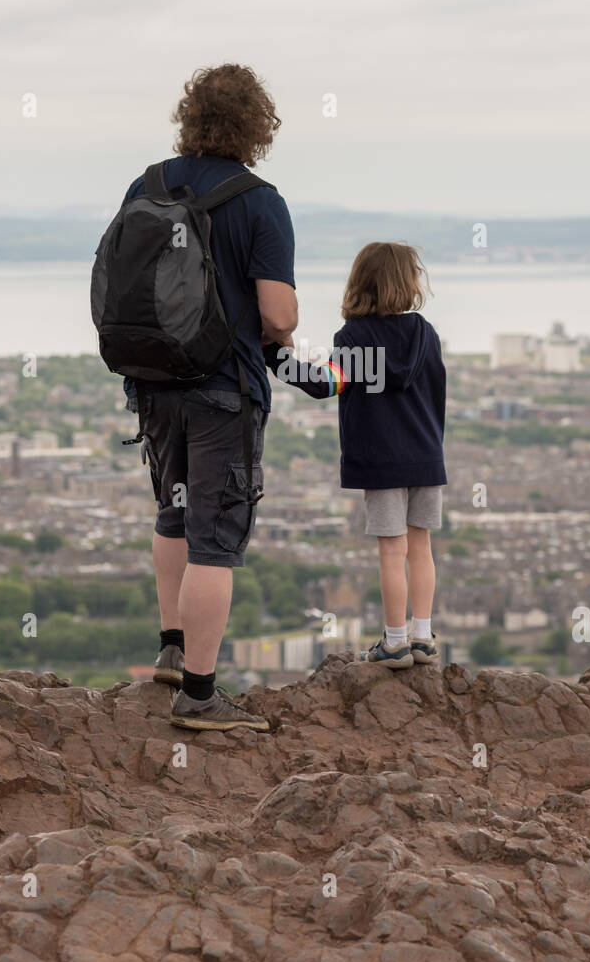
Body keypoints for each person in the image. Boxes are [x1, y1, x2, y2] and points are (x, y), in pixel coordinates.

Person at [123, 64, 297, 730]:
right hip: (223, 389)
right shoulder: (258, 201)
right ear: (258, 126)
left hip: (154, 382)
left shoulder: (148, 185)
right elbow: (277, 316)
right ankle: (198, 694)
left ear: (188, 115)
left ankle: (170, 648)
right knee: (214, 540)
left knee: (171, 511)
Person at [266, 241, 446, 669]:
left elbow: (325, 384)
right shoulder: (426, 334)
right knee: (421, 547)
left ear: (359, 283)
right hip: (426, 457)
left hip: (382, 460)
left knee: (391, 550)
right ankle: (423, 636)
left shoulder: (357, 337)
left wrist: (274, 355)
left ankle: (394, 642)